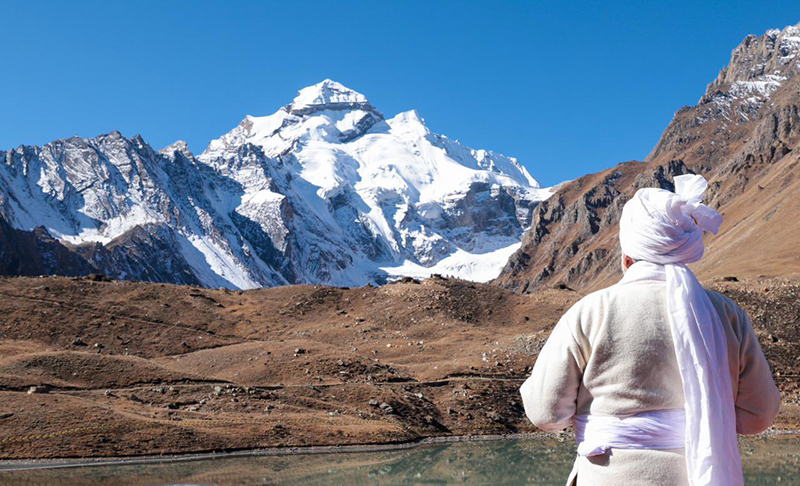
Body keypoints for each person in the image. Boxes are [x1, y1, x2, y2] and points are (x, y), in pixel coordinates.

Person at [519, 174, 781, 486]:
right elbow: (758, 415)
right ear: (686, 248)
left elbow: (546, 413)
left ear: (627, 255)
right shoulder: (727, 314)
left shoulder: (591, 311)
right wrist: (707, 418)